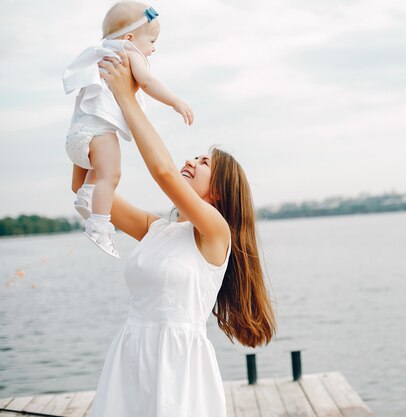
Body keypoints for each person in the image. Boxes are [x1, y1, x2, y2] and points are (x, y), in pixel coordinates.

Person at [73, 51, 276, 416]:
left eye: (203, 164)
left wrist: (126, 95)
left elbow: (163, 172)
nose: (190, 162)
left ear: (220, 192)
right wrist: (91, 115)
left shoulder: (216, 233)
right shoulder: (156, 230)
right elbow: (85, 192)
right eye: (194, 156)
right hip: (130, 357)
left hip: (179, 367)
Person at [64, 1, 193, 258]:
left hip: (77, 135)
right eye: (152, 41)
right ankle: (99, 226)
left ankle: (86, 197)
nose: (154, 48)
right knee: (111, 176)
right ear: (131, 37)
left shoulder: (100, 53)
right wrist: (175, 101)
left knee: (101, 174)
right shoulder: (129, 52)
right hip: (97, 133)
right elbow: (146, 82)